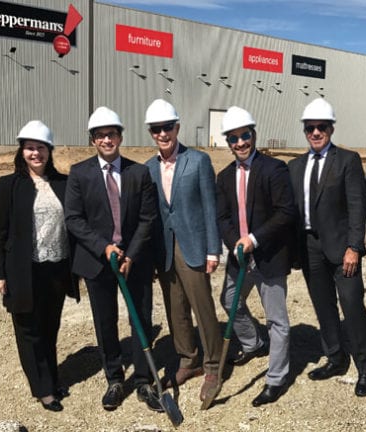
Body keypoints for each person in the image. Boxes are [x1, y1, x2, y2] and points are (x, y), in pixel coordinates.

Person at [64, 107, 161, 412]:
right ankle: (115, 379)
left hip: (135, 261)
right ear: (93, 140)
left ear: (120, 136)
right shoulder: (79, 174)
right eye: (100, 135)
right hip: (98, 261)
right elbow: (74, 219)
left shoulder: (138, 172)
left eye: (112, 134)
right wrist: (104, 247)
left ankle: (144, 380)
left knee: (140, 319)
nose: (107, 140)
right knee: (105, 322)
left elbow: (148, 218)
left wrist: (131, 254)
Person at [287, 98, 366, 397]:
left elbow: (357, 206)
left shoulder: (348, 160)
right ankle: (336, 357)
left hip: (342, 249)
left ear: (331, 128)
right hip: (309, 247)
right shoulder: (295, 166)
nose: (315, 132)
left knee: (352, 306)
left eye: (321, 127)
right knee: (323, 307)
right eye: (310, 128)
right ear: (304, 130)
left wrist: (355, 247)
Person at [0, 120, 80, 412]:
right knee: (28, 331)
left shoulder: (63, 184)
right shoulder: (9, 185)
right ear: (22, 151)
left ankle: (52, 379)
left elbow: (77, 225)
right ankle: (43, 390)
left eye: (40, 148)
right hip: (23, 271)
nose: (35, 154)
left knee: (49, 328)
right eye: (30, 148)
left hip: (55, 269)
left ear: (49, 151)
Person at [143, 99, 224, 405]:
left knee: (202, 306)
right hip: (164, 249)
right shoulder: (148, 169)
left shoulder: (198, 161)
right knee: (175, 309)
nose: (163, 133)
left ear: (177, 127)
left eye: (167, 127)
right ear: (151, 133)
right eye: (156, 129)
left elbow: (209, 207)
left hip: (194, 246)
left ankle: (214, 364)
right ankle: (188, 359)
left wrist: (213, 250)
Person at [216, 106, 295, 407]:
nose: (240, 143)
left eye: (244, 135)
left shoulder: (274, 170)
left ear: (254, 134)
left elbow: (285, 213)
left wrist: (254, 238)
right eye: (233, 138)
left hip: (269, 256)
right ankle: (253, 342)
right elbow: (221, 217)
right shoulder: (223, 177)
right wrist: (233, 240)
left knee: (277, 320)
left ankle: (276, 378)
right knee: (228, 300)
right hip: (240, 257)